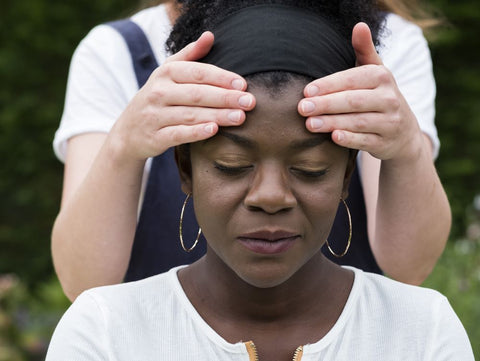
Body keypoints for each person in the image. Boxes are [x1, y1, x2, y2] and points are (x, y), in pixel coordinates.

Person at [45, 3, 473, 359]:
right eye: (231, 164)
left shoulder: (423, 333)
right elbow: (86, 280)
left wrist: (407, 147)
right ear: (185, 168)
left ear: (345, 170)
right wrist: (124, 145)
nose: (270, 197)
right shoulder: (103, 332)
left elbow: (409, 264)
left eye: (310, 170)